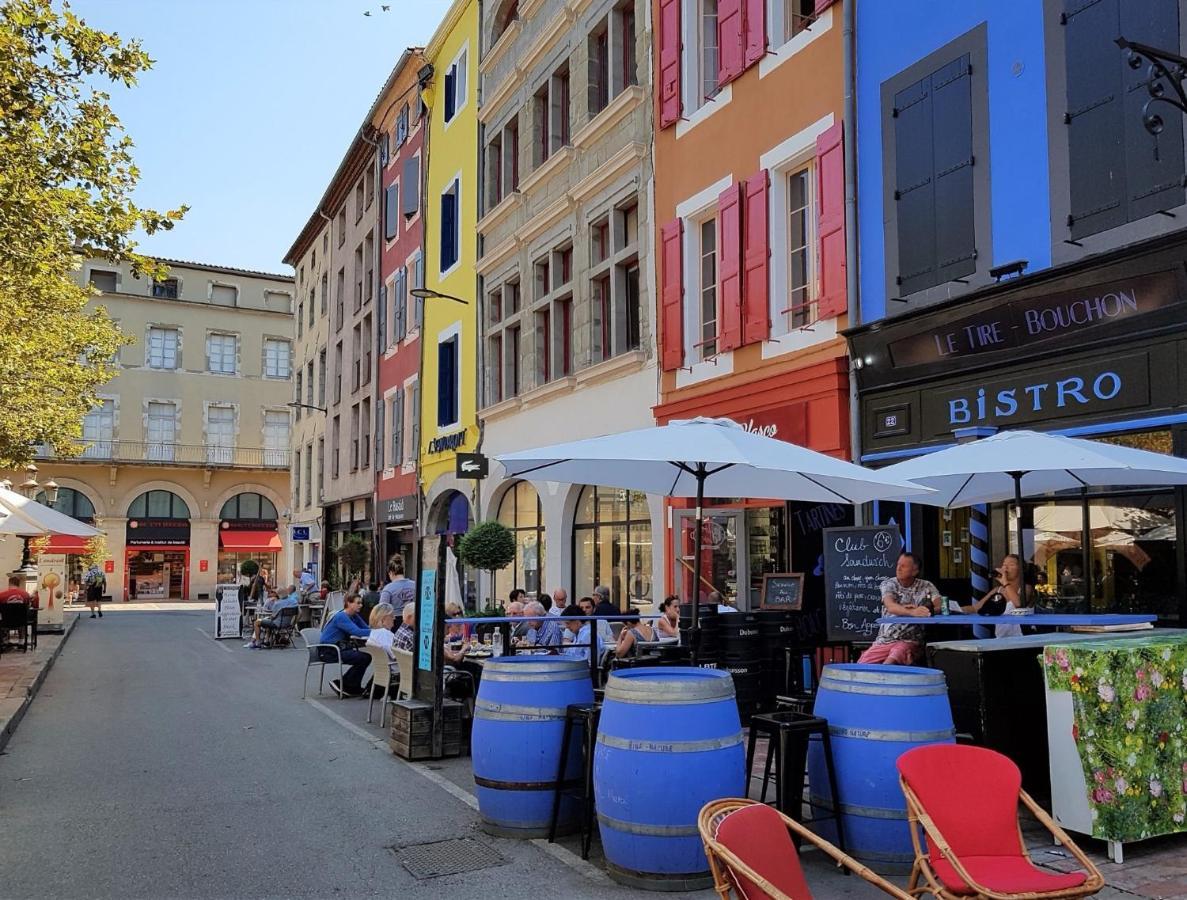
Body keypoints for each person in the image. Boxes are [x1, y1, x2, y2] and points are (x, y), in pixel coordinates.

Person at [858, 551, 939, 666]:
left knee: (892, 659)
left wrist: (925, 610)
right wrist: (912, 612)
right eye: (898, 564)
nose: (898, 568)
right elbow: (890, 606)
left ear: (915, 571)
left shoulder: (926, 586)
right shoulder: (889, 584)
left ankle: (884, 678)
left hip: (911, 640)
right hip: (885, 640)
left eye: (903, 566)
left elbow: (939, 605)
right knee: (861, 665)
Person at [962, 553, 1034, 638]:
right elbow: (976, 608)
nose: (1006, 568)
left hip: (1023, 638)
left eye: (1011, 565)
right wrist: (955, 609)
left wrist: (1005, 582)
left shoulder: (1027, 588)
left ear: (1021, 569)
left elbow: (1018, 604)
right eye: (1004, 564)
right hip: (1001, 638)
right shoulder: (998, 590)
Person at [318, 593, 372, 697]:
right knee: (364, 658)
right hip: (329, 651)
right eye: (358, 603)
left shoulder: (354, 616)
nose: (361, 605)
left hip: (339, 648)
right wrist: (378, 632)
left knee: (365, 657)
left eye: (361, 603)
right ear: (348, 603)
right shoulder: (341, 616)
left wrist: (374, 631)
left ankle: (351, 686)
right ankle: (344, 684)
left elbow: (365, 628)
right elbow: (357, 631)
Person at [247, 585, 300, 649]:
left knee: (257, 622)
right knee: (268, 622)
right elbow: (300, 612)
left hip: (277, 624)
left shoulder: (278, 603)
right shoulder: (293, 601)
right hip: (288, 623)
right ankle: (267, 640)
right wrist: (294, 623)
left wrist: (269, 617)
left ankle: (258, 642)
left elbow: (273, 616)